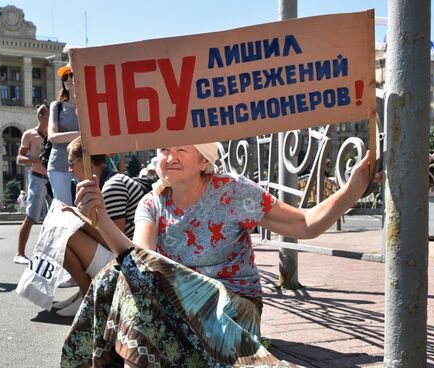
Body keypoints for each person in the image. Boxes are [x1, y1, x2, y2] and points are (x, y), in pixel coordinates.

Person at [61, 143, 378, 367]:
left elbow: (305, 224)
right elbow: (140, 260)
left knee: (131, 278)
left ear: (204, 161)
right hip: (178, 309)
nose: (169, 157)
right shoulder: (152, 203)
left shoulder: (233, 192)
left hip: (232, 311)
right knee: (118, 276)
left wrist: (350, 193)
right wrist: (99, 218)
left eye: (181, 149)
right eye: (163, 150)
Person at [53, 137, 145, 317]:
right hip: (127, 258)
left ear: (85, 160)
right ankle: (84, 292)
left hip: (129, 263)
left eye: (72, 163)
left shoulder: (112, 186)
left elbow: (113, 241)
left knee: (63, 233)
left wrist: (76, 216)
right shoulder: (106, 182)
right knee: (62, 226)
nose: (70, 169)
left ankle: (90, 296)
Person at [14, 104, 52, 264]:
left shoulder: (54, 134)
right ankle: (20, 253)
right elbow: (19, 158)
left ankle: (52, 254)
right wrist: (32, 159)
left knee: (58, 216)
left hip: (54, 178)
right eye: (49, 115)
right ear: (41, 116)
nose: (52, 118)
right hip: (37, 177)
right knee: (31, 216)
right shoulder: (29, 134)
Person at [47, 63, 80, 206]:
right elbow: (52, 137)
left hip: (82, 165)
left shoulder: (87, 106)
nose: (68, 79)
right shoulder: (57, 106)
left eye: (71, 75)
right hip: (59, 166)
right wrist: (81, 135)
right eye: (65, 77)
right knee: (65, 210)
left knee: (87, 208)